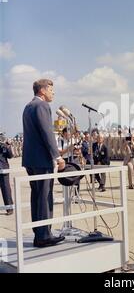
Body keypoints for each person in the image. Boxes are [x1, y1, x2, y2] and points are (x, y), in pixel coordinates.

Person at [22, 79, 66, 248]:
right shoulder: (42, 106)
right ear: (42, 90)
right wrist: (58, 157)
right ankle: (44, 236)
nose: (53, 93)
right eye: (51, 89)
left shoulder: (28, 106)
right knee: (44, 196)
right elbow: (47, 133)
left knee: (37, 196)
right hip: (41, 160)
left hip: (31, 160)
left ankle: (39, 234)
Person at [0, 135, 14, 215]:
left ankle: (9, 208)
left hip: (3, 169)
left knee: (6, 190)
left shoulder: (3, 145)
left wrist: (7, 146)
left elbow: (10, 156)